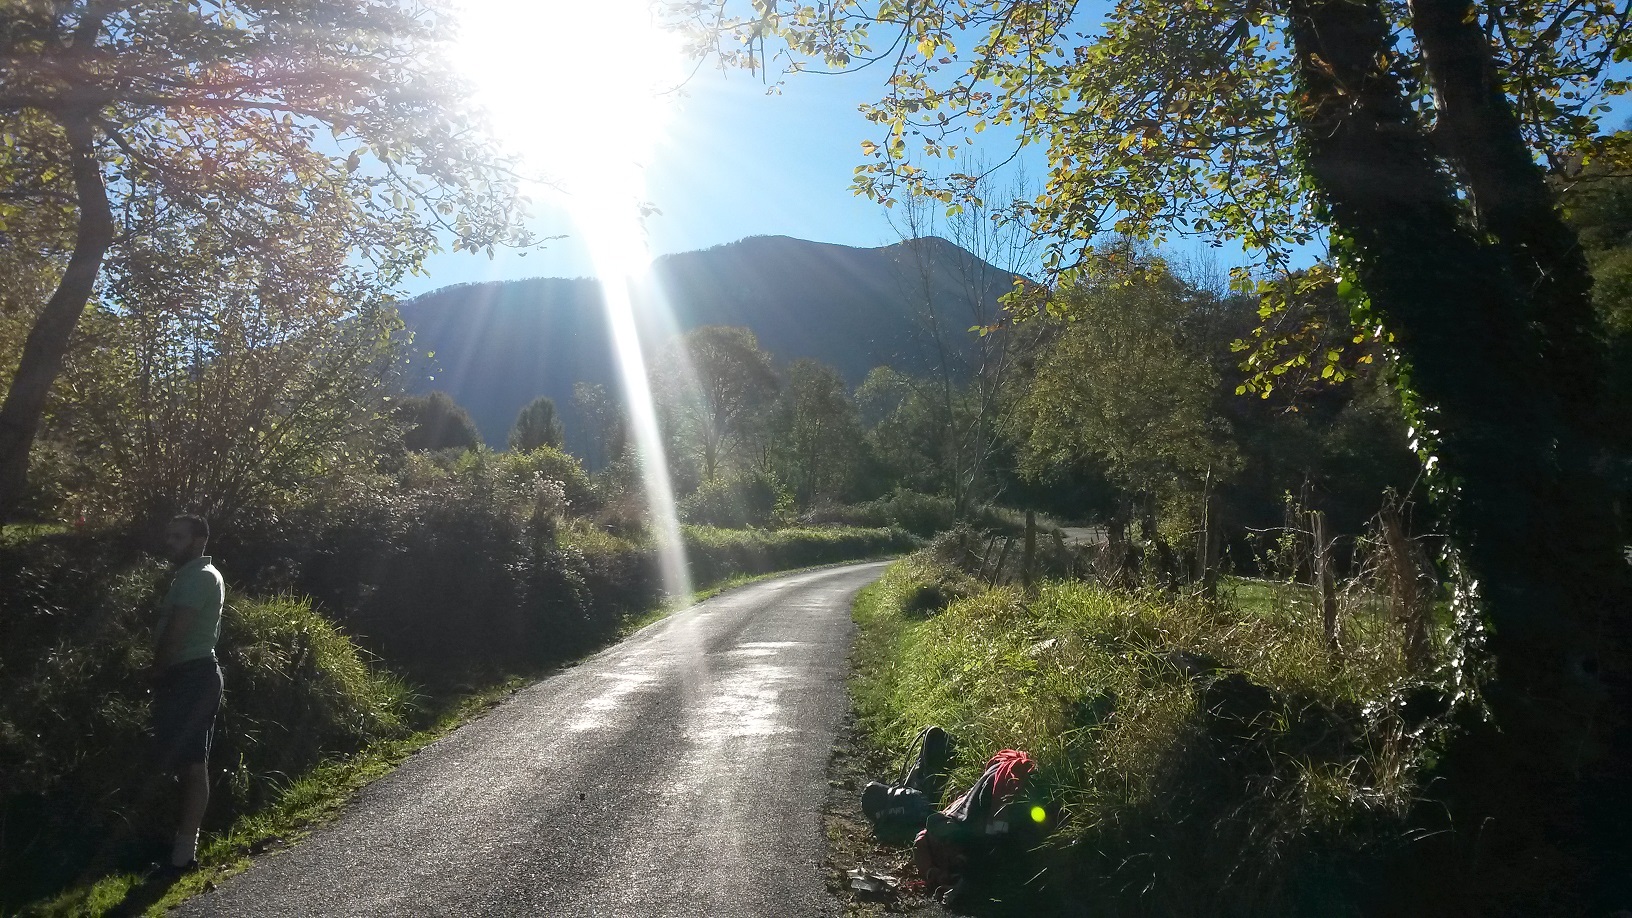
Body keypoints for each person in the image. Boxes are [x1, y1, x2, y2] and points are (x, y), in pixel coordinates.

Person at [150, 513, 225, 872]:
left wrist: (156, 672)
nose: (169, 542)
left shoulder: (200, 577)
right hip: (185, 676)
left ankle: (183, 856)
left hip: (192, 676)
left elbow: (177, 632)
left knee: (193, 763)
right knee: (179, 761)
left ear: (197, 541)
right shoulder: (189, 575)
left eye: (177, 536)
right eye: (169, 535)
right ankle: (174, 847)